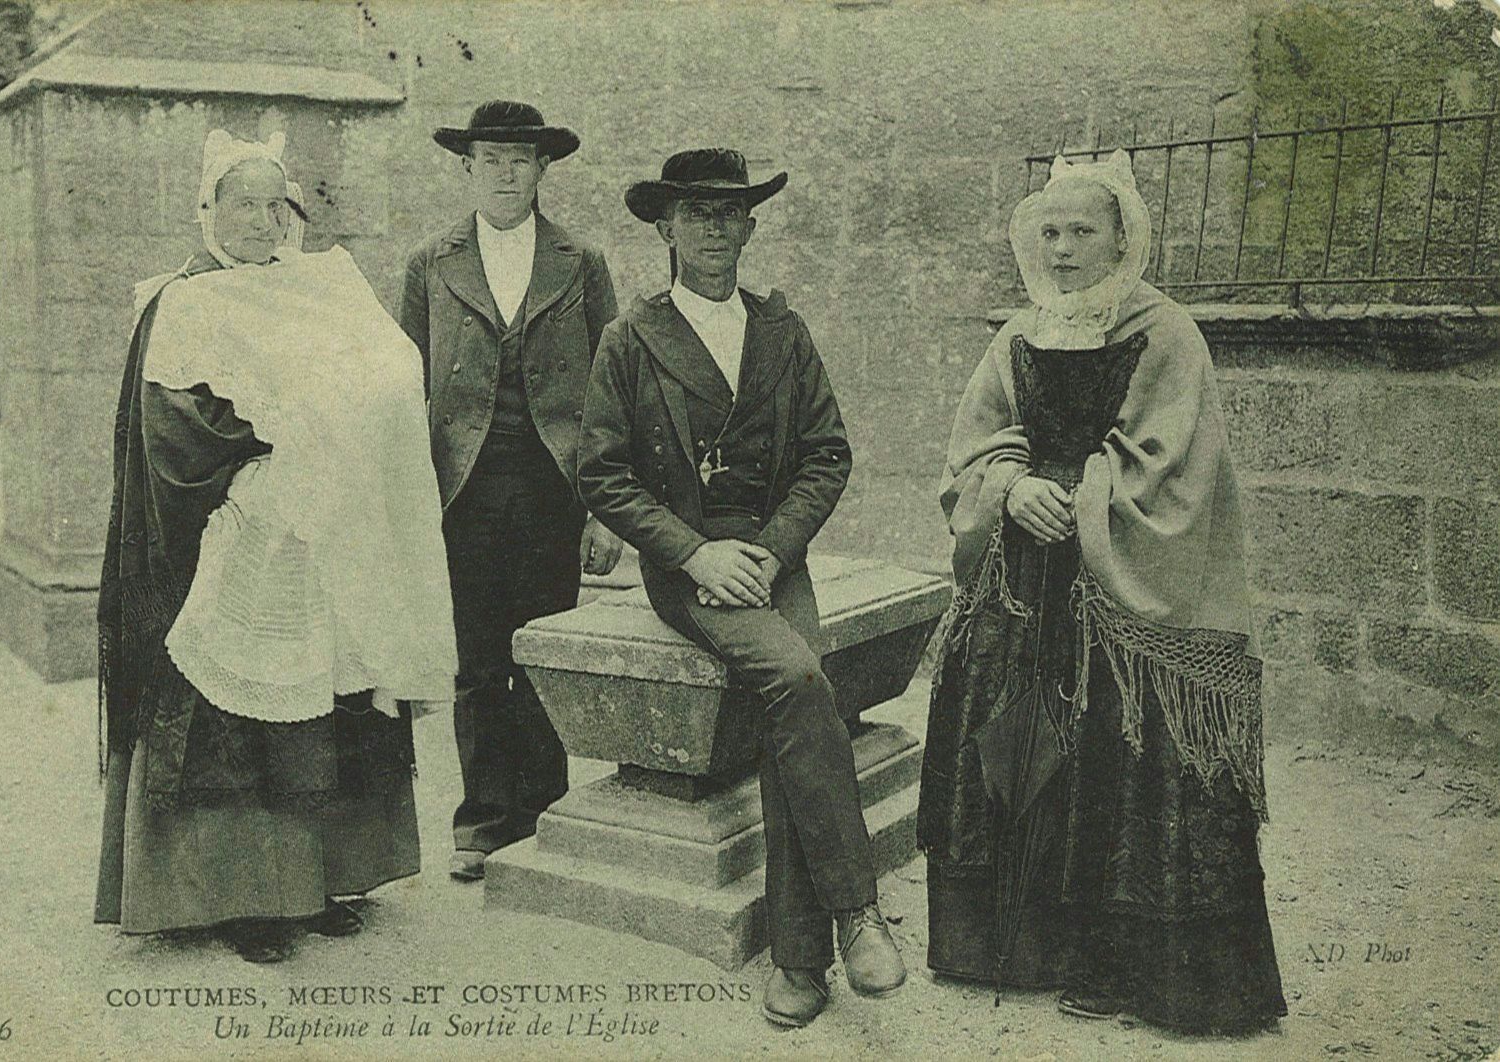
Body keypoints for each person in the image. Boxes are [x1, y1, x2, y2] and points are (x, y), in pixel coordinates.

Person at [917, 149, 1286, 1033]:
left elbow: (1170, 464)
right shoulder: (1018, 334)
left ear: (1123, 239)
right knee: (1008, 736)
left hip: (1119, 586)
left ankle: (1128, 967)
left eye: (1082, 231)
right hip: (1025, 573)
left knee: (1123, 754)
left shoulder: (1167, 333)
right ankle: (1013, 949)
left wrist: (1075, 494)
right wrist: (1011, 487)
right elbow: (973, 445)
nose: (1063, 249)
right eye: (1049, 232)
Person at [94, 130, 456, 963]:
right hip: (233, 539)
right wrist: (274, 447)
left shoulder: (315, 289)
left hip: (325, 536)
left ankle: (318, 881)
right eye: (244, 205)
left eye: (275, 205)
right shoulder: (182, 302)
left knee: (324, 703)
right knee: (238, 719)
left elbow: (374, 387)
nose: (262, 221)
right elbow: (172, 431)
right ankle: (242, 898)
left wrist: (350, 437)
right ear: (210, 210)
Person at [577, 148, 907, 1028]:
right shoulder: (630, 338)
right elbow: (603, 474)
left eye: (730, 213)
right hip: (687, 568)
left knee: (796, 697)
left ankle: (800, 964)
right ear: (665, 228)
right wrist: (694, 555)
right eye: (696, 213)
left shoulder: (782, 333)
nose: (715, 229)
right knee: (797, 677)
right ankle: (857, 913)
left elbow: (827, 454)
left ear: (752, 228)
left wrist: (770, 549)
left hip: (769, 557)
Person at [399, 100, 621, 882]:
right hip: (464, 490)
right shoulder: (430, 263)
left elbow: (611, 392)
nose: (504, 174)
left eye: (519, 160)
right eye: (490, 159)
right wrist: (411, 506)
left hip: (553, 488)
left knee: (544, 652)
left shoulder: (581, 260)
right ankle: (484, 823)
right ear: (466, 169)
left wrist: (603, 512)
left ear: (542, 170)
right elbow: (406, 386)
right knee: (477, 660)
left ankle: (547, 817)